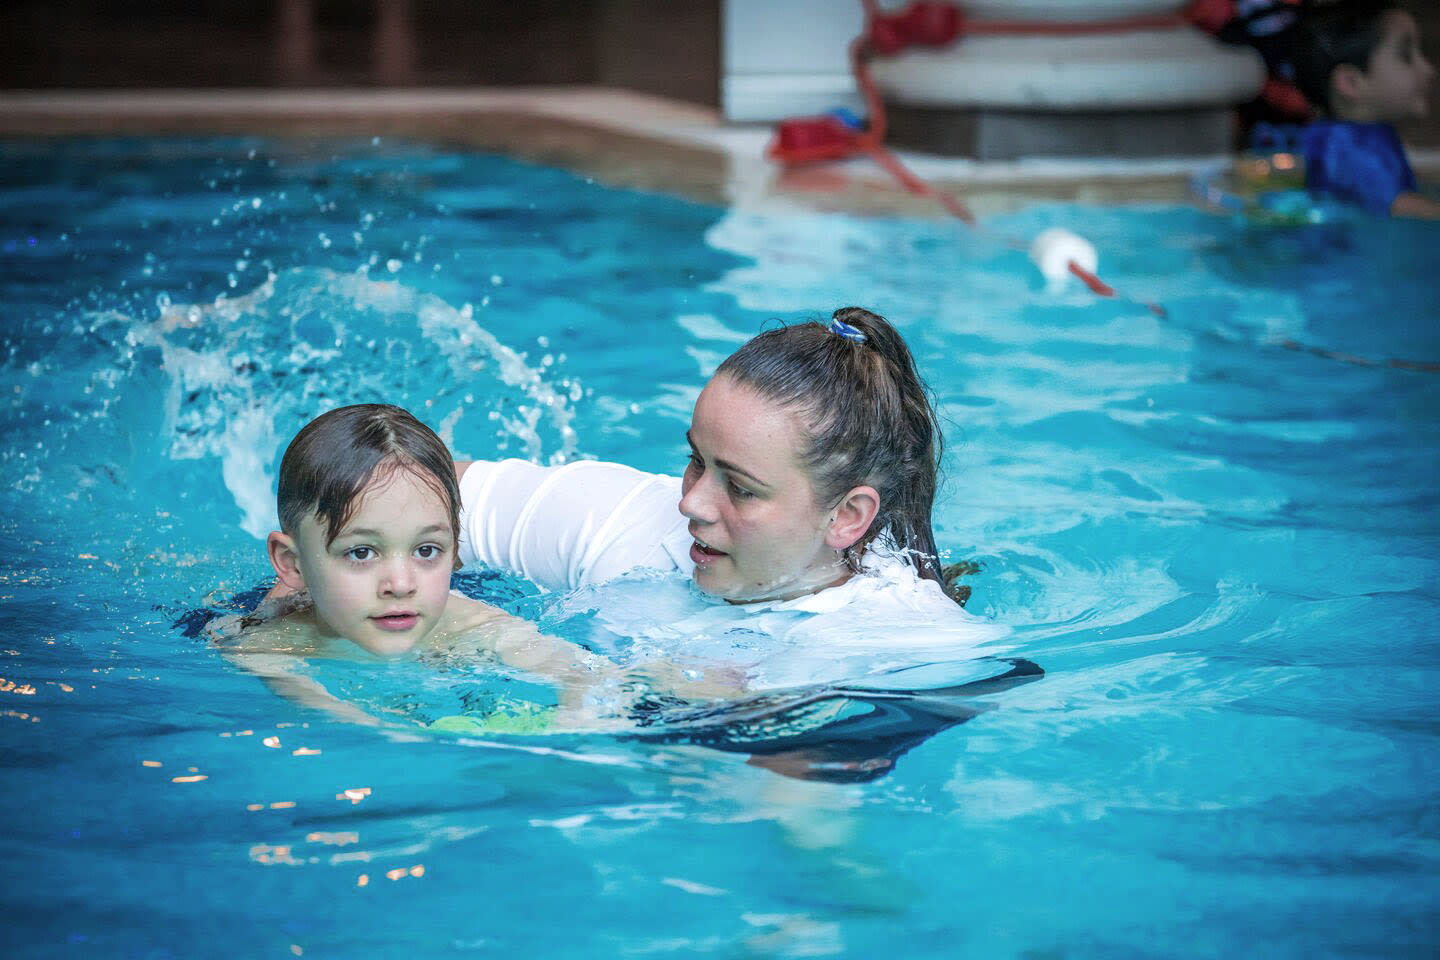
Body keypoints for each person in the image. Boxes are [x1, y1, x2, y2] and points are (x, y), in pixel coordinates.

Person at [456, 307, 1008, 690]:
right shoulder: (619, 517)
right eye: (696, 459)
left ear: (846, 516)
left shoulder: (906, 649)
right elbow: (400, 488)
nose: (691, 504)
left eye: (741, 488)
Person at [221, 403, 625, 725]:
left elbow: (586, 674)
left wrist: (575, 717)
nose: (400, 583)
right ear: (292, 564)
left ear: (456, 550)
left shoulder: (469, 622)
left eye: (427, 551)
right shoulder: (265, 646)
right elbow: (360, 730)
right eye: (361, 553)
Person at [1291, 0, 1439, 218]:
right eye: (1407, 56)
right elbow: (1399, 205)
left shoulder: (1364, 136)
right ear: (1351, 82)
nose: (1429, 69)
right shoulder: (1345, 146)